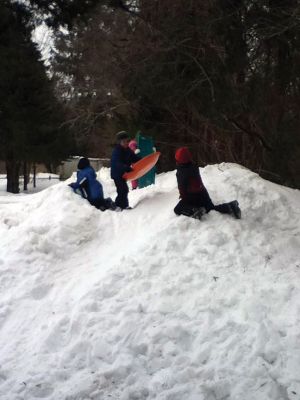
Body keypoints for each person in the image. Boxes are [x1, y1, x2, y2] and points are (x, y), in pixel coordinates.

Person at [174, 147, 241, 220]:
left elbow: (182, 189)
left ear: (179, 160)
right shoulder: (194, 166)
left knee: (177, 209)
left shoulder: (181, 172)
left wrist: (183, 197)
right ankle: (231, 206)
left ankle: (194, 211)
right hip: (203, 194)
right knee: (211, 208)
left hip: (192, 198)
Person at [110, 131, 140, 209]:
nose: (127, 143)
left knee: (124, 190)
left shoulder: (128, 150)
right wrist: (127, 168)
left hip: (123, 173)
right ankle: (121, 206)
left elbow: (134, 158)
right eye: (124, 141)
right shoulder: (117, 151)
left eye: (127, 141)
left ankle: (120, 205)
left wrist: (142, 160)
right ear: (120, 142)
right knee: (122, 189)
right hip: (117, 173)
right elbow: (117, 163)